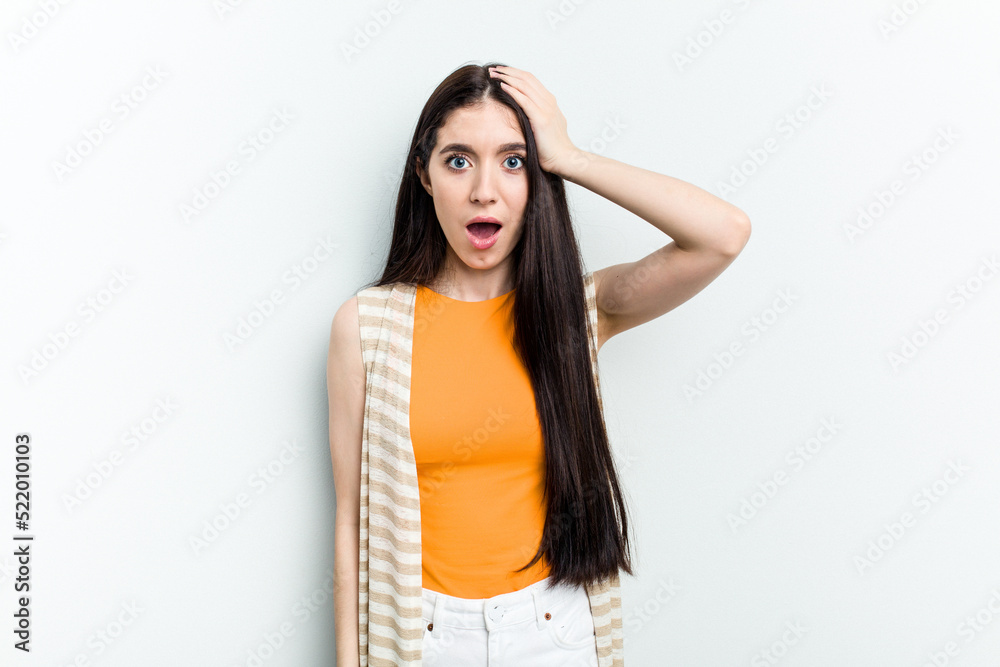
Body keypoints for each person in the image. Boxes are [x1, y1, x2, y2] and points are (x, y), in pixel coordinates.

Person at [327, 61, 751, 666]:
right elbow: (351, 522)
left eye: (513, 160)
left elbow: (723, 234)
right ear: (424, 175)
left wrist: (570, 157)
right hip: (424, 639)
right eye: (457, 160)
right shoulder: (365, 328)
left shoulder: (580, 312)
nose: (484, 190)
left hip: (555, 632)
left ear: (537, 178)